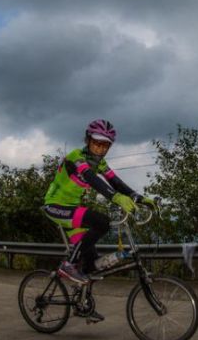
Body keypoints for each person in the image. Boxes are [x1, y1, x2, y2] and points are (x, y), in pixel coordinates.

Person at [42, 119, 156, 301]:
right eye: (97, 143)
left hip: (73, 209)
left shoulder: (101, 163)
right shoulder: (76, 157)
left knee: (91, 265)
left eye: (106, 145)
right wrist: (116, 198)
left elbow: (116, 182)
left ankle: (83, 303)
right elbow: (92, 179)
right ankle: (68, 265)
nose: (101, 148)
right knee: (101, 222)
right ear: (88, 140)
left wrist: (139, 198)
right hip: (55, 206)